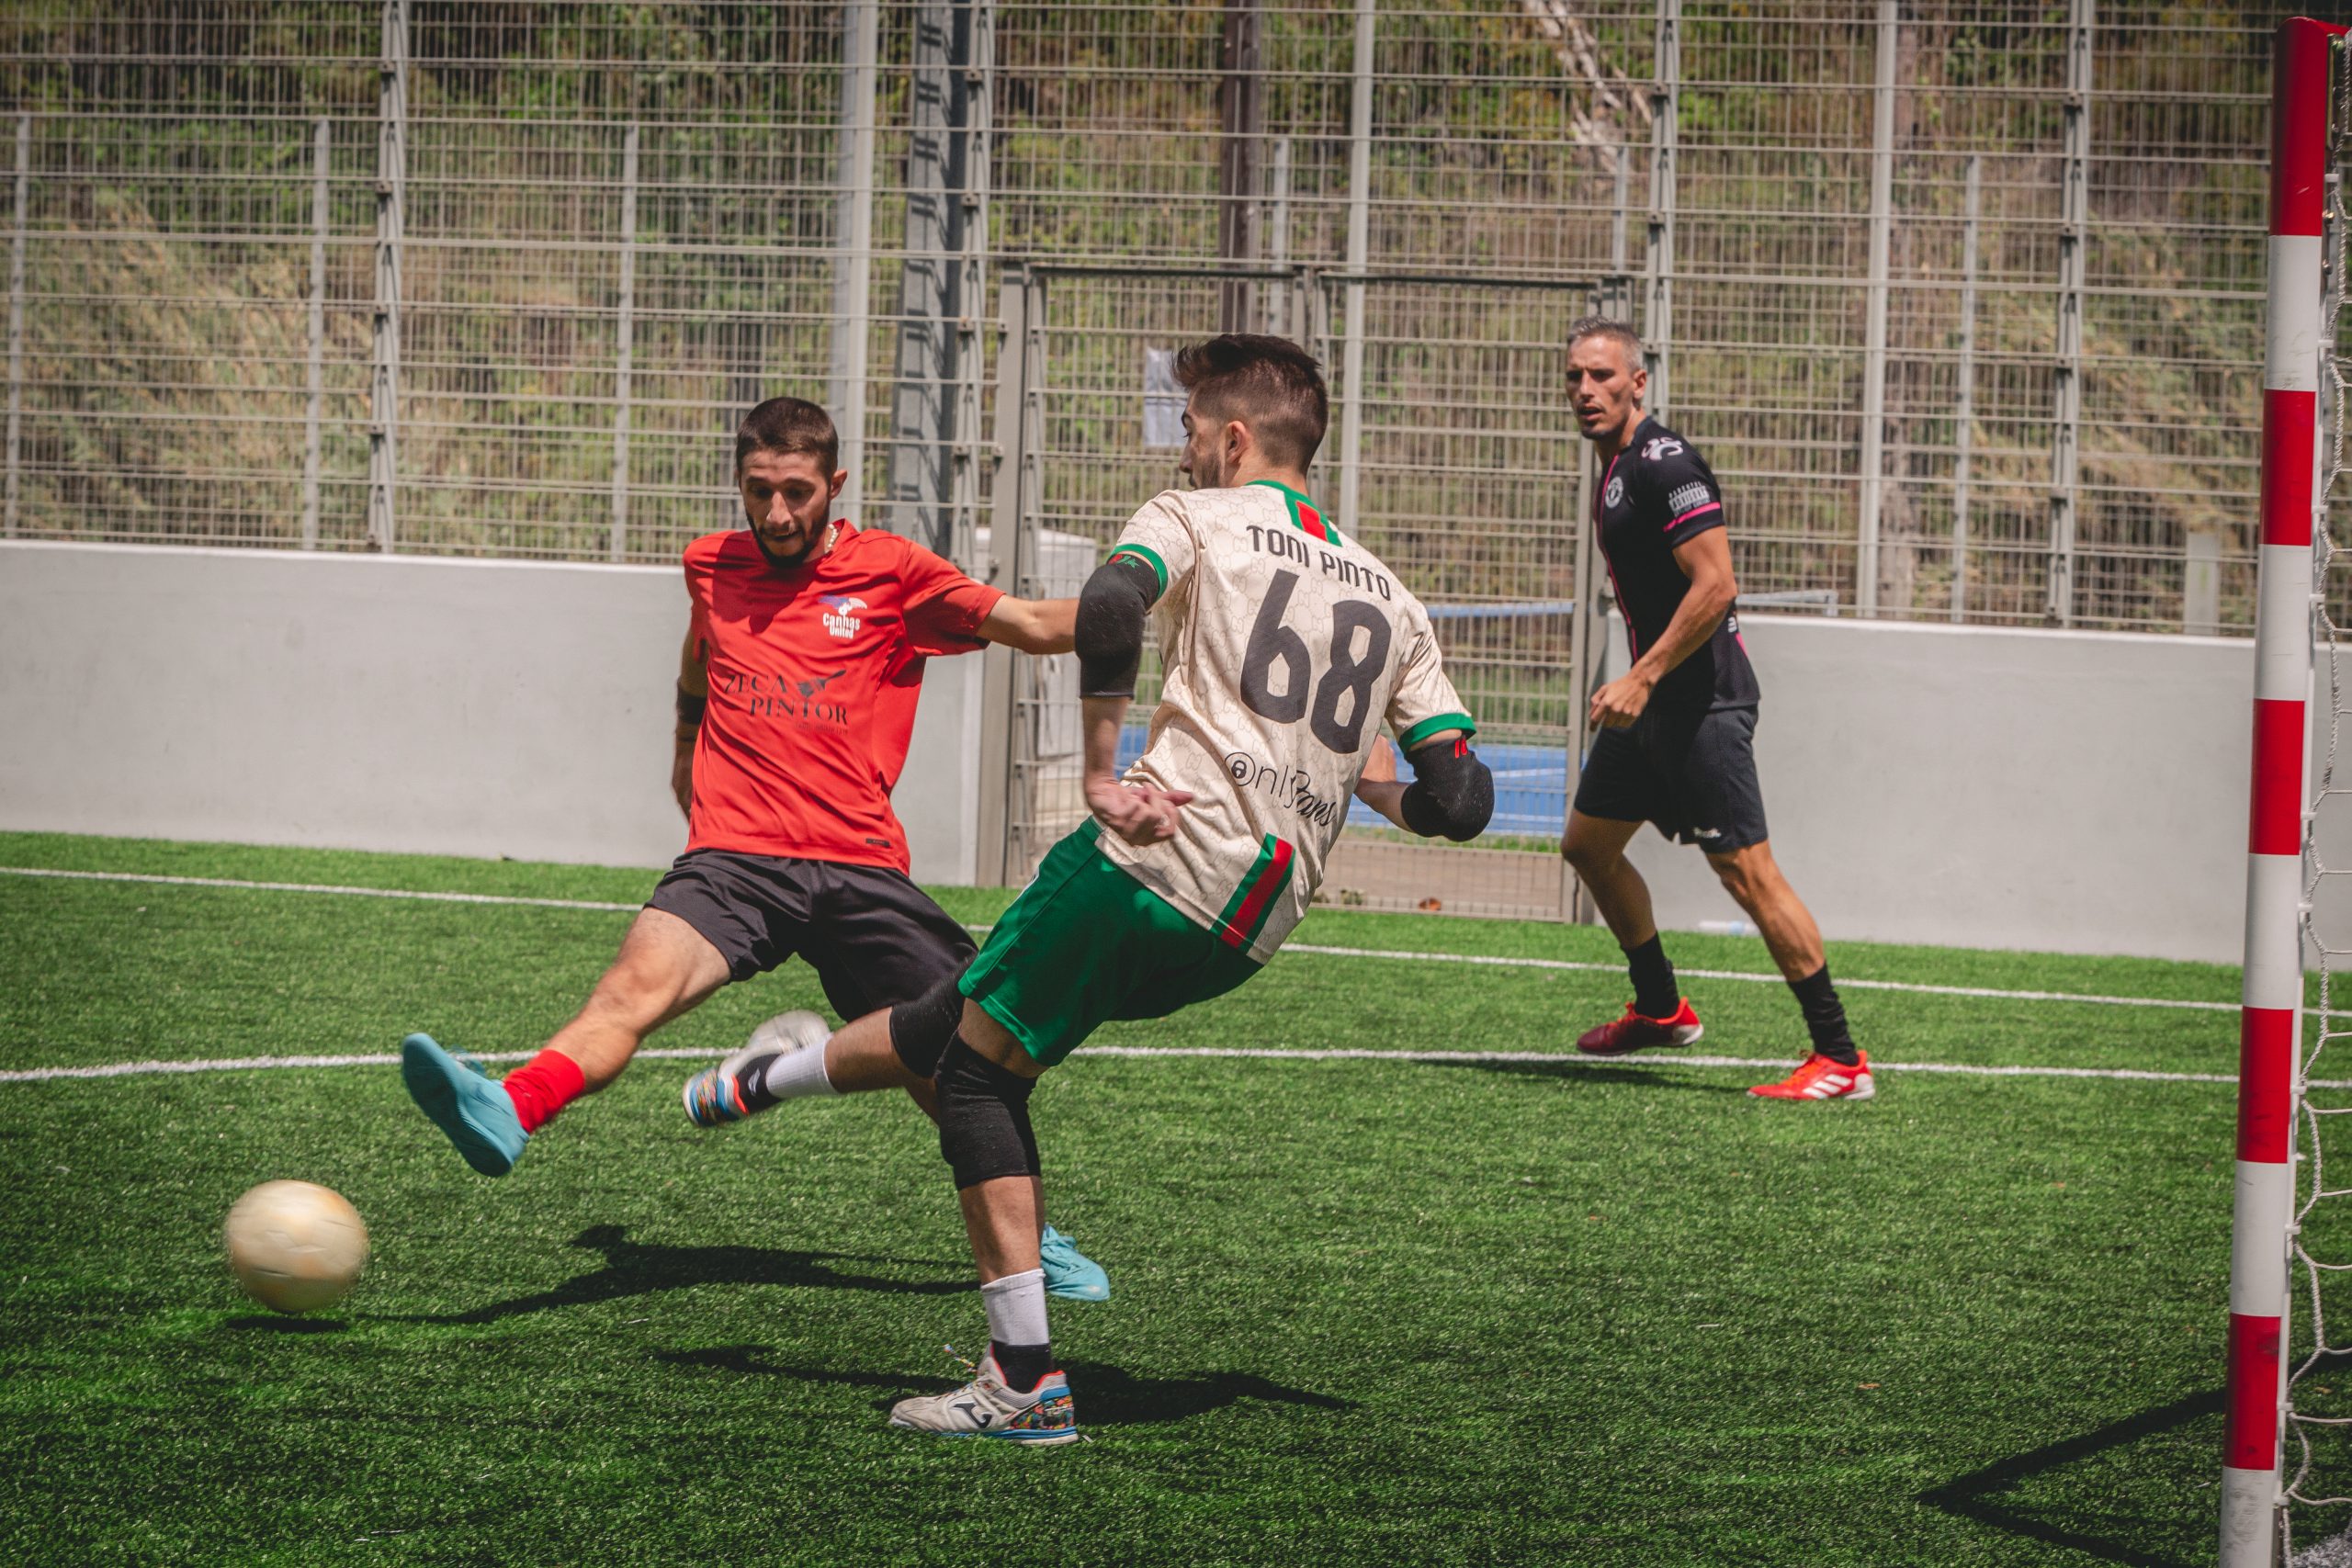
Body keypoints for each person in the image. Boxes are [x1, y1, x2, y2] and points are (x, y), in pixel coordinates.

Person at [676, 335, 1496, 1443]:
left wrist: (1105, 773)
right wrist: (1358, 790)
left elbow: (1109, 610)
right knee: (966, 1009)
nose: (1189, 447)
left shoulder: (1192, 515)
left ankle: (1023, 1385)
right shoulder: (1392, 596)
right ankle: (764, 1082)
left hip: (1151, 858)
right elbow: (1459, 798)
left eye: (1197, 429)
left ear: (1236, 437)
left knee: (973, 1076)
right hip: (1251, 928)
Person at [398, 394, 1109, 1298]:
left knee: (959, 1064)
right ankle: (512, 1107)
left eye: (797, 494)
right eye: (758, 492)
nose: (776, 514)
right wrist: (683, 750)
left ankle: (1034, 1238)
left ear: (834, 485)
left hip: (859, 869)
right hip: (735, 857)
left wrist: (1159, 593)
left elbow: (1038, 627)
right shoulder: (711, 567)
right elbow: (697, 666)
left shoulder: (892, 573)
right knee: (625, 995)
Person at [1558, 318, 1871, 1101]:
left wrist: (1643, 676)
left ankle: (1840, 1056)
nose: (1586, 391)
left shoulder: (1667, 465)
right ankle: (1662, 1008)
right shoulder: (1614, 468)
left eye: (1602, 376)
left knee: (1748, 874)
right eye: (1575, 377)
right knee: (1588, 845)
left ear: (1639, 382)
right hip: (1653, 706)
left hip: (1703, 703)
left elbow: (1717, 585)